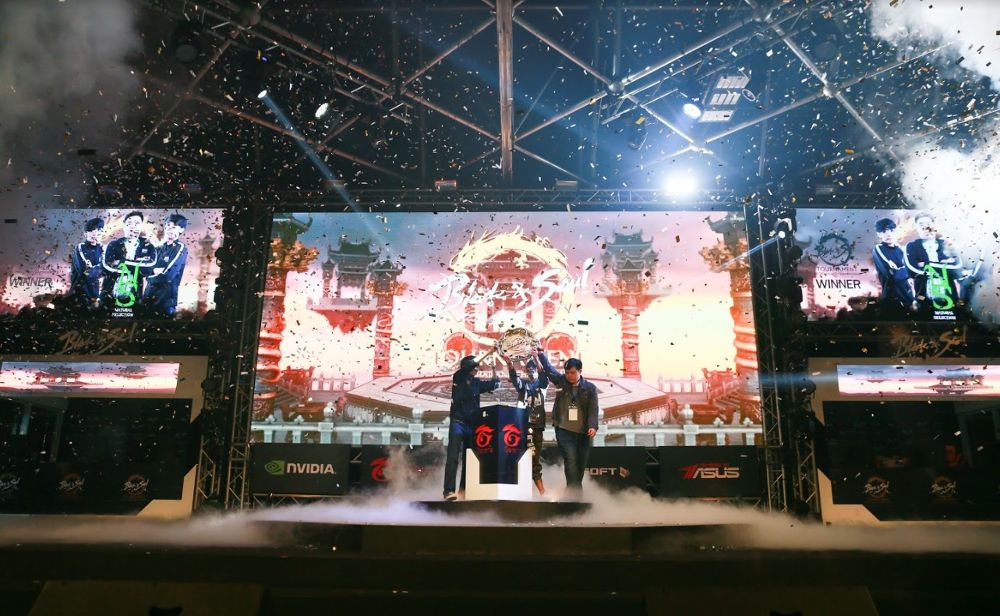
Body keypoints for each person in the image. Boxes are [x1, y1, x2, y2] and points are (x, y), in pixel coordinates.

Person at [537, 347, 599, 497]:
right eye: (567, 372)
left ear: (580, 371)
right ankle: (575, 494)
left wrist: (592, 426)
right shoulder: (561, 382)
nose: (569, 375)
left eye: (572, 372)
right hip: (563, 430)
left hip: (583, 432)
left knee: (580, 463)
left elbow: (593, 410)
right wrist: (540, 354)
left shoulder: (590, 388)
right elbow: (549, 370)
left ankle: (572, 490)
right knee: (570, 459)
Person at [443, 354, 499, 501]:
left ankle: (463, 491)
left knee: (469, 459)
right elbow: (468, 366)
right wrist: (488, 353)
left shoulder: (477, 383)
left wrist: (494, 367)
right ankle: (448, 491)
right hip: (457, 422)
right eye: (475, 366)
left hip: (472, 424)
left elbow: (495, 384)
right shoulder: (458, 377)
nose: (477, 369)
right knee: (453, 457)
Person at [503, 350, 548, 495]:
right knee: (518, 458)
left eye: (533, 369)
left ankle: (542, 493)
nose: (531, 372)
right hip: (521, 428)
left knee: (534, 460)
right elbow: (514, 379)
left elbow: (543, 375)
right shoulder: (524, 386)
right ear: (525, 371)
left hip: (537, 428)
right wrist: (509, 364)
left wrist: (536, 358)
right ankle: (517, 491)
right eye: (528, 370)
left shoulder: (543, 385)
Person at [904, 213, 962, 313]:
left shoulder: (947, 244)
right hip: (923, 298)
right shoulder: (911, 246)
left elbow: (957, 269)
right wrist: (944, 266)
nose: (925, 227)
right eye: (921, 225)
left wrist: (927, 265)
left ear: (934, 225)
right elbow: (912, 270)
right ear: (916, 228)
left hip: (949, 297)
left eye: (928, 224)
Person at [101, 211, 157, 313]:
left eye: (137, 223)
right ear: (124, 225)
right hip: (109, 297)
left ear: (141, 226)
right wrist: (137, 264)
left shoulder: (148, 246)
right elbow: (106, 266)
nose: (133, 226)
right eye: (129, 223)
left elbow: (148, 268)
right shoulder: (113, 244)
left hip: (134, 298)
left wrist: (121, 262)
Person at [143, 214, 188, 317]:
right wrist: (154, 271)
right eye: (167, 226)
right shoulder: (158, 248)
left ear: (181, 230)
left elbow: (168, 276)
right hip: (148, 297)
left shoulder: (180, 248)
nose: (169, 229)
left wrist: (150, 276)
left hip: (165, 301)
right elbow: (145, 269)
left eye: (173, 227)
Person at [871, 218, 917, 316]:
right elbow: (893, 275)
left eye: (891, 230)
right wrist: (905, 270)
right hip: (891, 301)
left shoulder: (901, 250)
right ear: (879, 234)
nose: (888, 234)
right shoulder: (879, 249)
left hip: (909, 300)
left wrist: (901, 270)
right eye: (884, 231)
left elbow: (912, 272)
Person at [68, 217, 105, 311]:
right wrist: (98, 269)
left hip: (94, 296)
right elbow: (84, 272)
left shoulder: (101, 248)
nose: (94, 233)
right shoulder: (80, 247)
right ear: (85, 234)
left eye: (98, 230)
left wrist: (94, 269)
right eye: (91, 231)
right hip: (79, 294)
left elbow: (103, 271)